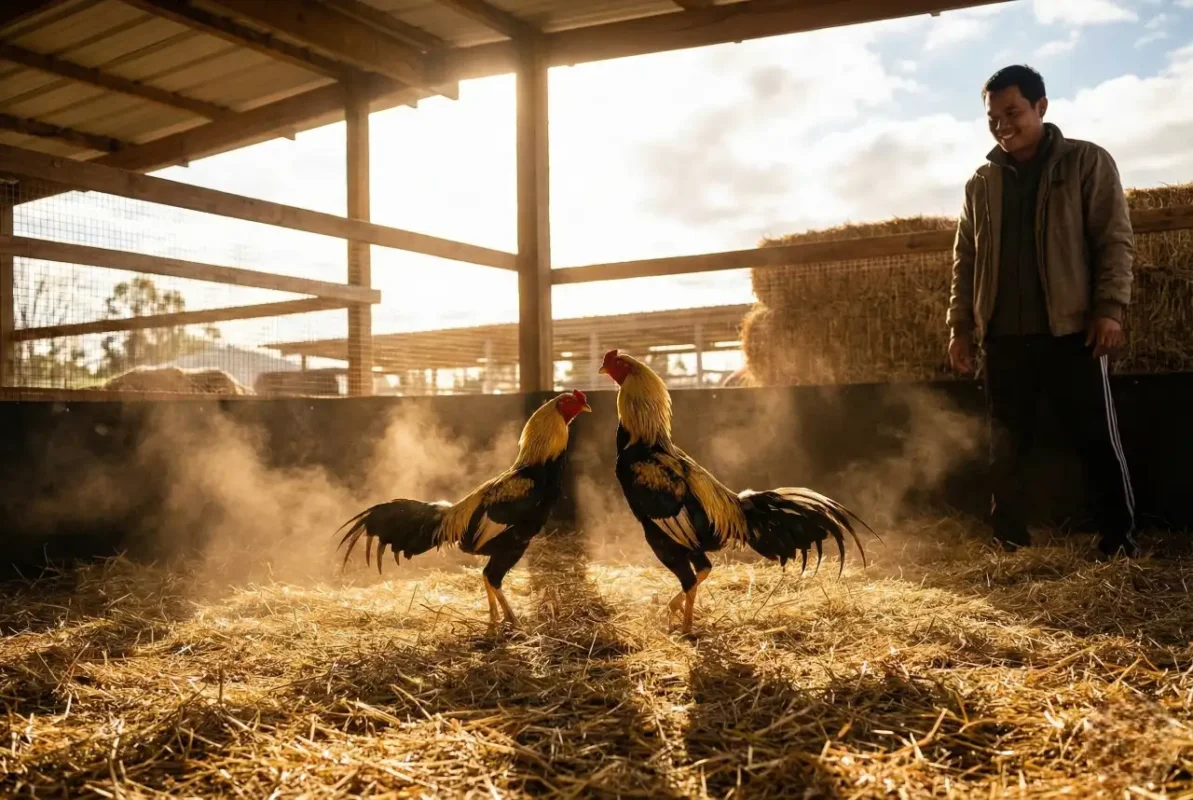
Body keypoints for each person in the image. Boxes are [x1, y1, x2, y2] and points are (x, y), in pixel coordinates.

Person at [946, 64, 1139, 558]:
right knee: (1003, 448)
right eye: (992, 117)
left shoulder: (1087, 162)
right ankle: (1008, 540)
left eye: (1012, 112)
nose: (1001, 124)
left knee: (1096, 440)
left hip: (1072, 331)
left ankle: (1119, 539)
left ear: (1041, 107)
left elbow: (1113, 239)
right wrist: (961, 327)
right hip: (1003, 338)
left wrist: (1109, 309)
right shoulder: (980, 182)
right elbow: (964, 259)